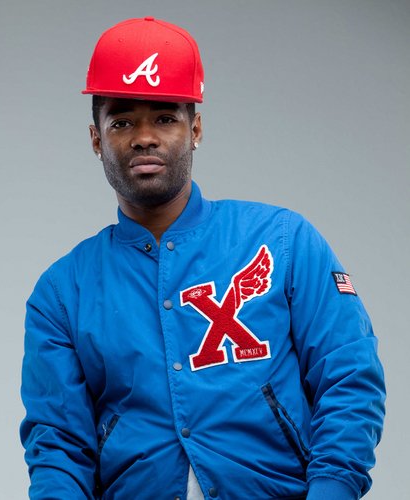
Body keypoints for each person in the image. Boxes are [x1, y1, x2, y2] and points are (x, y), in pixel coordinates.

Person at [20, 17, 385, 499]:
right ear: (96, 140)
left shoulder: (283, 240)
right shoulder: (63, 292)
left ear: (195, 129)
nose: (144, 137)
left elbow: (349, 377)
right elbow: (58, 445)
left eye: (165, 118)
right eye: (122, 122)